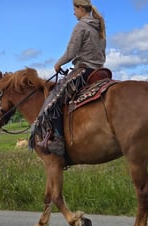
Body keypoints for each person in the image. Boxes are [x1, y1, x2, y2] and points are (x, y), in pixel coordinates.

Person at [30, 0, 106, 156]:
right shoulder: (99, 28)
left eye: (74, 9)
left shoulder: (81, 26)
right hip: (100, 71)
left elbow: (71, 52)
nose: (73, 12)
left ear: (80, 8)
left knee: (54, 99)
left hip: (83, 71)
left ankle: (58, 140)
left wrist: (58, 64)